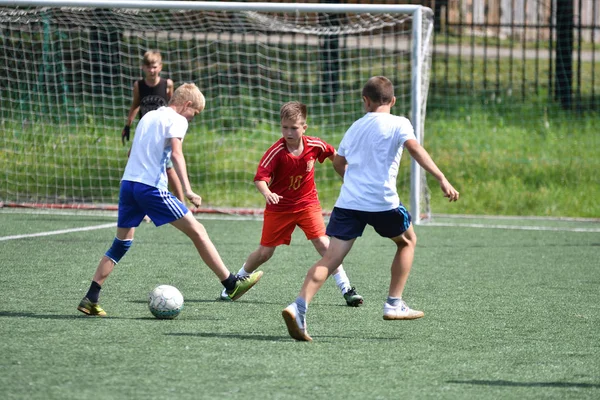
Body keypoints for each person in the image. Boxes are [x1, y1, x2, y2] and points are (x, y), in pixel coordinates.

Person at [282, 76, 460, 341]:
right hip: (382, 203)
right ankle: (393, 303)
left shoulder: (355, 127)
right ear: (393, 101)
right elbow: (415, 150)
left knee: (331, 259)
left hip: (349, 203)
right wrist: (441, 178)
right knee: (408, 241)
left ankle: (298, 306)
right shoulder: (400, 123)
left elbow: (338, 161)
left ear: (365, 101)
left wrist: (353, 182)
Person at [77, 83, 262, 316]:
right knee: (198, 230)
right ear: (187, 105)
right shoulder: (178, 120)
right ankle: (231, 284)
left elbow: (134, 152)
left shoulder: (148, 117)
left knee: (121, 243)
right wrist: (188, 190)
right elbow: (176, 153)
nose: (191, 120)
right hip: (150, 187)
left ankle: (91, 297)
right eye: (194, 114)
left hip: (128, 184)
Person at [219, 101, 363, 307]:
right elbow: (260, 178)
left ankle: (347, 289)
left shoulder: (314, 145)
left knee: (324, 245)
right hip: (279, 209)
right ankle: (233, 283)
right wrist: (267, 192)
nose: (288, 132)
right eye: (284, 127)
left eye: (294, 128)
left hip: (307, 204)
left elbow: (334, 156)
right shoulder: (275, 152)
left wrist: (348, 175)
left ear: (304, 127)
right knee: (264, 253)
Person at [121, 50, 184, 203]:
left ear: (160, 67)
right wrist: (128, 125)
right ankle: (142, 203)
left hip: (162, 133)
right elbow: (136, 104)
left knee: (168, 167)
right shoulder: (139, 85)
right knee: (134, 158)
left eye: (154, 67)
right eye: (148, 67)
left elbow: (173, 105)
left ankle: (182, 203)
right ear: (143, 67)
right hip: (145, 131)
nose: (151, 70)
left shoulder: (167, 85)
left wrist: (176, 129)